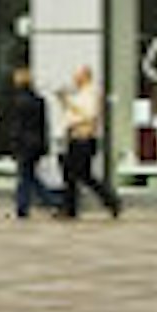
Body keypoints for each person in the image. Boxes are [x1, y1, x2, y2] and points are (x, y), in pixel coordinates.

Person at [57, 65, 123, 218]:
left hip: (84, 138)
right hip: (73, 136)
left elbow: (89, 115)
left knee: (83, 174)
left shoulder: (91, 94)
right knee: (70, 174)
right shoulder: (79, 94)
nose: (74, 79)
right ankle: (70, 208)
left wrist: (68, 103)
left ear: (85, 77)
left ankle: (111, 201)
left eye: (77, 75)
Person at [0, 62, 54, 222]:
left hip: (24, 143)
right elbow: (43, 125)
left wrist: (13, 142)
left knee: (25, 176)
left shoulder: (18, 101)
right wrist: (45, 144)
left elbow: (17, 125)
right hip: (35, 143)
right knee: (29, 176)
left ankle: (26, 207)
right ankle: (46, 201)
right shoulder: (39, 100)